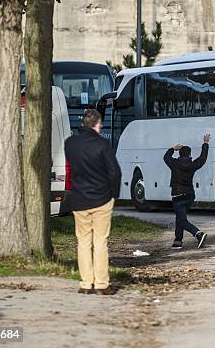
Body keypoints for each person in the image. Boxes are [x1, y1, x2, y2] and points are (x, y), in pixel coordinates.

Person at [64, 109, 122, 295]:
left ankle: (86, 283)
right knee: (100, 242)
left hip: (79, 198)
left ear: (83, 123)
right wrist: (114, 194)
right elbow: (114, 172)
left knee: (83, 242)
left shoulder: (70, 144)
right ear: (98, 124)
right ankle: (101, 284)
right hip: (101, 199)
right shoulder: (102, 144)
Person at [164, 134, 211, 250]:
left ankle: (198, 234)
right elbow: (202, 159)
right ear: (189, 154)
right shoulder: (192, 164)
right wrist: (205, 144)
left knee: (182, 220)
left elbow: (166, 157)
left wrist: (172, 149)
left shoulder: (174, 164)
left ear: (179, 154)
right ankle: (178, 240)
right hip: (190, 195)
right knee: (180, 217)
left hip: (178, 195)